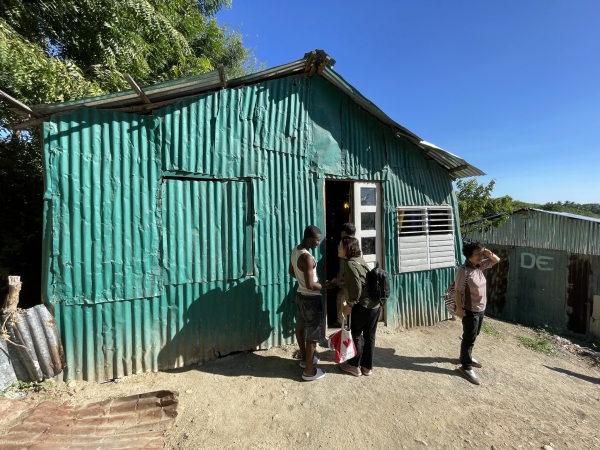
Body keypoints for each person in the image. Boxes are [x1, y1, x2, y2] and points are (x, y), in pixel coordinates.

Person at [289, 225, 339, 381]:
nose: (318, 243)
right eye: (317, 240)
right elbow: (311, 285)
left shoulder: (295, 250)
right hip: (311, 299)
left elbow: (291, 271)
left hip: (300, 296)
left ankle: (305, 360)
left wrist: (302, 281)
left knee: (300, 328)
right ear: (310, 239)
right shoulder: (307, 258)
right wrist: (327, 285)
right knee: (312, 335)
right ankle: (309, 371)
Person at [454, 241, 500, 385]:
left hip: (481, 308)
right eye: (477, 254)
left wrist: (488, 253)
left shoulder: (479, 266)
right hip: (470, 310)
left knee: (474, 335)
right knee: (469, 337)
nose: (481, 257)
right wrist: (459, 309)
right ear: (469, 256)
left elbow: (496, 260)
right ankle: (466, 366)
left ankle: (465, 357)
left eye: (482, 254)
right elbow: (458, 291)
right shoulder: (464, 270)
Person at [338, 236, 381, 377]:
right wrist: (343, 281)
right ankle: (367, 368)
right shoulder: (359, 260)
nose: (338, 249)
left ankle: (353, 365)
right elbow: (362, 280)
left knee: (355, 334)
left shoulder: (350, 264)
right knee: (370, 336)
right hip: (375, 305)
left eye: (341, 246)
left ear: (348, 249)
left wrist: (349, 305)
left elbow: (357, 288)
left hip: (363, 305)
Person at [331, 222, 356, 328]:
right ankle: (345, 321)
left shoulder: (345, 243)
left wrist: (341, 280)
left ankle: (343, 322)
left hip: (346, 278)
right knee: (344, 298)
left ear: (344, 232)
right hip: (347, 278)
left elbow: (345, 264)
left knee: (343, 298)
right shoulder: (356, 242)